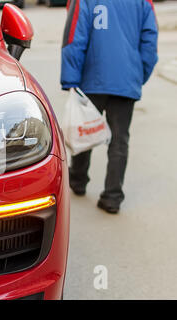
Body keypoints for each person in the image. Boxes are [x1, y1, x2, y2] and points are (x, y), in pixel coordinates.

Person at [61, 0, 158, 213]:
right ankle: (112, 196)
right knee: (119, 140)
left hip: (91, 77)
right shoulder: (143, 2)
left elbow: (75, 38)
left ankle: (77, 179)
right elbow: (150, 41)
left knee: (84, 128)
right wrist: (138, 75)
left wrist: (70, 79)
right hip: (126, 80)